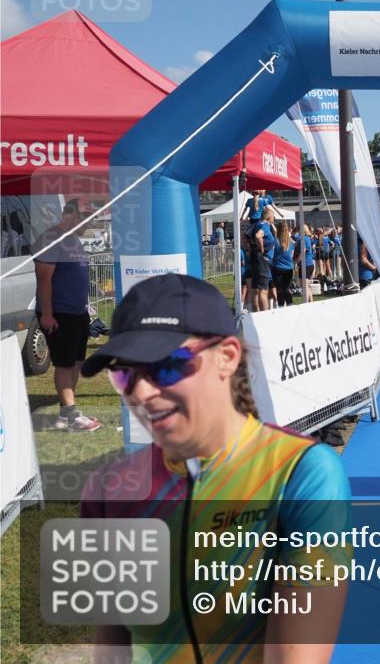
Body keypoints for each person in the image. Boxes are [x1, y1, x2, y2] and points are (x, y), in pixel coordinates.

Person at [80, 274, 350, 663]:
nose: (139, 393)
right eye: (124, 374)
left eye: (165, 366)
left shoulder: (303, 473)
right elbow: (112, 645)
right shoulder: (108, 489)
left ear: (226, 357)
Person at [33, 200, 102, 432]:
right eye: (86, 217)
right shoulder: (51, 239)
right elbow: (44, 279)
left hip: (77, 313)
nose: (89, 222)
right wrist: (48, 314)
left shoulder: (74, 242)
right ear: (69, 215)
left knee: (76, 362)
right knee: (64, 364)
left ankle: (66, 413)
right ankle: (72, 415)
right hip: (58, 313)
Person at [250, 210, 277, 311]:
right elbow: (258, 235)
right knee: (263, 290)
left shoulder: (257, 224)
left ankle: (255, 313)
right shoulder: (265, 225)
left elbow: (246, 236)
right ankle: (264, 315)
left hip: (256, 259)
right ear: (269, 217)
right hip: (262, 260)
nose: (274, 218)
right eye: (273, 216)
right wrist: (261, 249)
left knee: (255, 288)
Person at [271, 221, 296, 307]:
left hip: (277, 268)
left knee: (280, 290)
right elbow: (292, 255)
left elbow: (272, 255)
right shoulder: (291, 242)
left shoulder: (276, 241)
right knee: (286, 289)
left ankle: (282, 306)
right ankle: (290, 305)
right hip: (289, 268)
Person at [294, 224, 316, 302]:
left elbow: (303, 251)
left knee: (304, 286)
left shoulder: (302, 239)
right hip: (310, 264)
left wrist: (296, 261)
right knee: (307, 286)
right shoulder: (308, 238)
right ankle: (311, 302)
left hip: (305, 265)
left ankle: (306, 303)